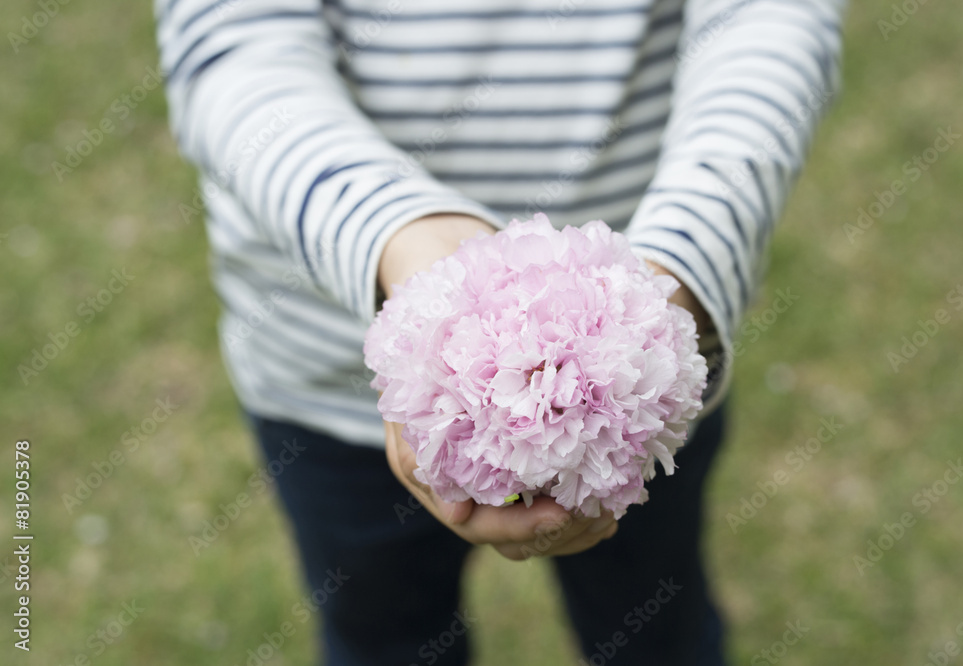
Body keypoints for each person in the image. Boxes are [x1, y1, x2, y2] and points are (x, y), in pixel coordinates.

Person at [156, 0, 845, 663]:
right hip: (326, 373)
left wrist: (668, 282)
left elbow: (767, 19)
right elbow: (230, 52)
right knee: (383, 637)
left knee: (654, 629)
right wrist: (400, 236)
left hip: (638, 379)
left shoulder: (654, 329)